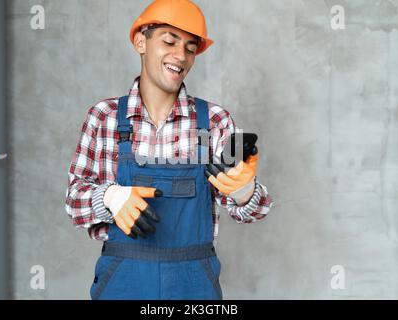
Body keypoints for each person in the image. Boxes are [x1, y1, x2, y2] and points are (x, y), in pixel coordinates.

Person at [65, 0, 273, 300]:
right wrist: (109, 196)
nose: (181, 55)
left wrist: (244, 192)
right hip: (122, 284)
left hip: (193, 286)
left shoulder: (212, 122)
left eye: (190, 47)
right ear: (141, 41)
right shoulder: (106, 117)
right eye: (169, 41)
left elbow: (251, 210)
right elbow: (74, 202)